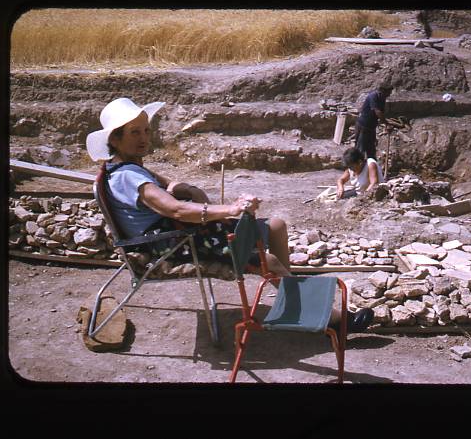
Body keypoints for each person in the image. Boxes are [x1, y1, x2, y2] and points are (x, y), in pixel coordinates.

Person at [86, 97, 373, 332]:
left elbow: (170, 187)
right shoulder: (127, 177)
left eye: (146, 130)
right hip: (170, 243)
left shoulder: (132, 166)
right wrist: (231, 209)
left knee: (275, 226)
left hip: (182, 231)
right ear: (115, 138)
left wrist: (187, 188)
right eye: (135, 132)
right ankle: (336, 321)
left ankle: (291, 303)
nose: (144, 138)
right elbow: (174, 208)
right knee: (267, 260)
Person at [354, 82, 393, 160]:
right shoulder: (373, 96)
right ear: (382, 90)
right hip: (363, 126)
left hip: (371, 127)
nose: (389, 94)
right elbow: (377, 111)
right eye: (388, 92)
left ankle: (371, 167)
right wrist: (386, 123)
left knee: (371, 148)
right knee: (360, 148)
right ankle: (356, 168)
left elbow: (381, 112)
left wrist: (384, 123)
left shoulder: (382, 97)